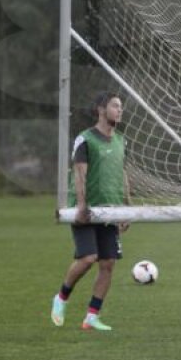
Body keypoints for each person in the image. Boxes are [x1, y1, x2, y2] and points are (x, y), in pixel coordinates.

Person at [51, 92, 130, 332]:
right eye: (115, 106)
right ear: (101, 109)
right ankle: (61, 297)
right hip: (86, 210)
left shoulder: (121, 141)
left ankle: (92, 317)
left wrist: (128, 208)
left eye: (121, 106)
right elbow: (79, 173)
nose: (120, 110)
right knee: (87, 258)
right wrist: (82, 205)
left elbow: (123, 174)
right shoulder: (85, 139)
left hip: (111, 210)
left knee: (108, 264)